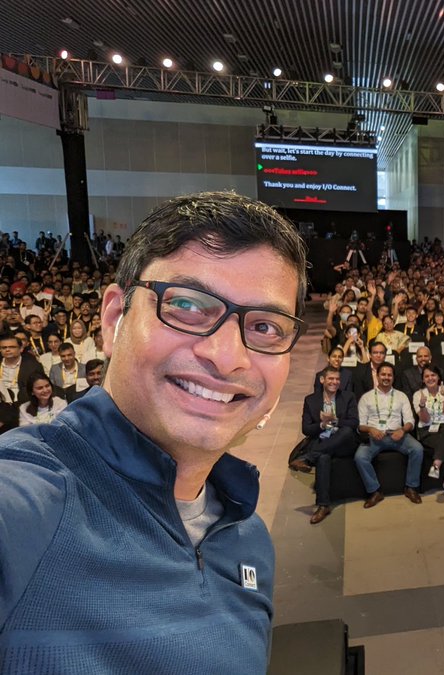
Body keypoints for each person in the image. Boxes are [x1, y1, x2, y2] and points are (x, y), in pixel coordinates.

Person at [0, 191, 306, 672]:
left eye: (265, 326)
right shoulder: (32, 503)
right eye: (186, 304)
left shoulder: (248, 539)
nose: (227, 356)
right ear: (113, 319)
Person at [292, 367, 360, 524]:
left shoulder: (348, 397)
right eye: (331, 379)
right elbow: (306, 429)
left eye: (337, 379)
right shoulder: (311, 400)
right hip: (324, 441)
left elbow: (354, 422)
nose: (334, 382)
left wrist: (335, 420)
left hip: (345, 443)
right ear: (322, 380)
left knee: (347, 432)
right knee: (323, 457)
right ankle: (323, 505)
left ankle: (308, 458)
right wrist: (322, 424)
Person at [355, 361, 425, 507]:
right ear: (377, 376)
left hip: (397, 435)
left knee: (417, 449)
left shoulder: (401, 396)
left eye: (389, 375)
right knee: (360, 457)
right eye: (383, 374)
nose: (386, 377)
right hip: (375, 436)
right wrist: (370, 429)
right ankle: (375, 491)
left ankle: (411, 487)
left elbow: (410, 421)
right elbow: (360, 425)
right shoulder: (366, 397)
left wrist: (403, 430)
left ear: (393, 377)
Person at [412, 365, 444, 498]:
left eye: (433, 375)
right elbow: (424, 419)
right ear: (423, 379)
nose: (430, 378)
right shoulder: (418, 394)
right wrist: (422, 406)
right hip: (428, 430)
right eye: (427, 376)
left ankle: (437, 463)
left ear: (438, 377)